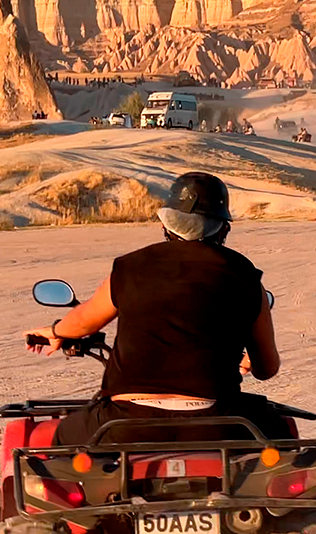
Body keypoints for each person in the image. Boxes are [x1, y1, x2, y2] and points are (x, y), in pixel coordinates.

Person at [23, 172, 288, 445]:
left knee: (58, 443)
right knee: (283, 432)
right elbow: (267, 368)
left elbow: (83, 322)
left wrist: (56, 331)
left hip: (125, 424)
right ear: (223, 229)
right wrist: (248, 361)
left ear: (166, 225)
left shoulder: (131, 266)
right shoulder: (245, 276)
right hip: (218, 424)